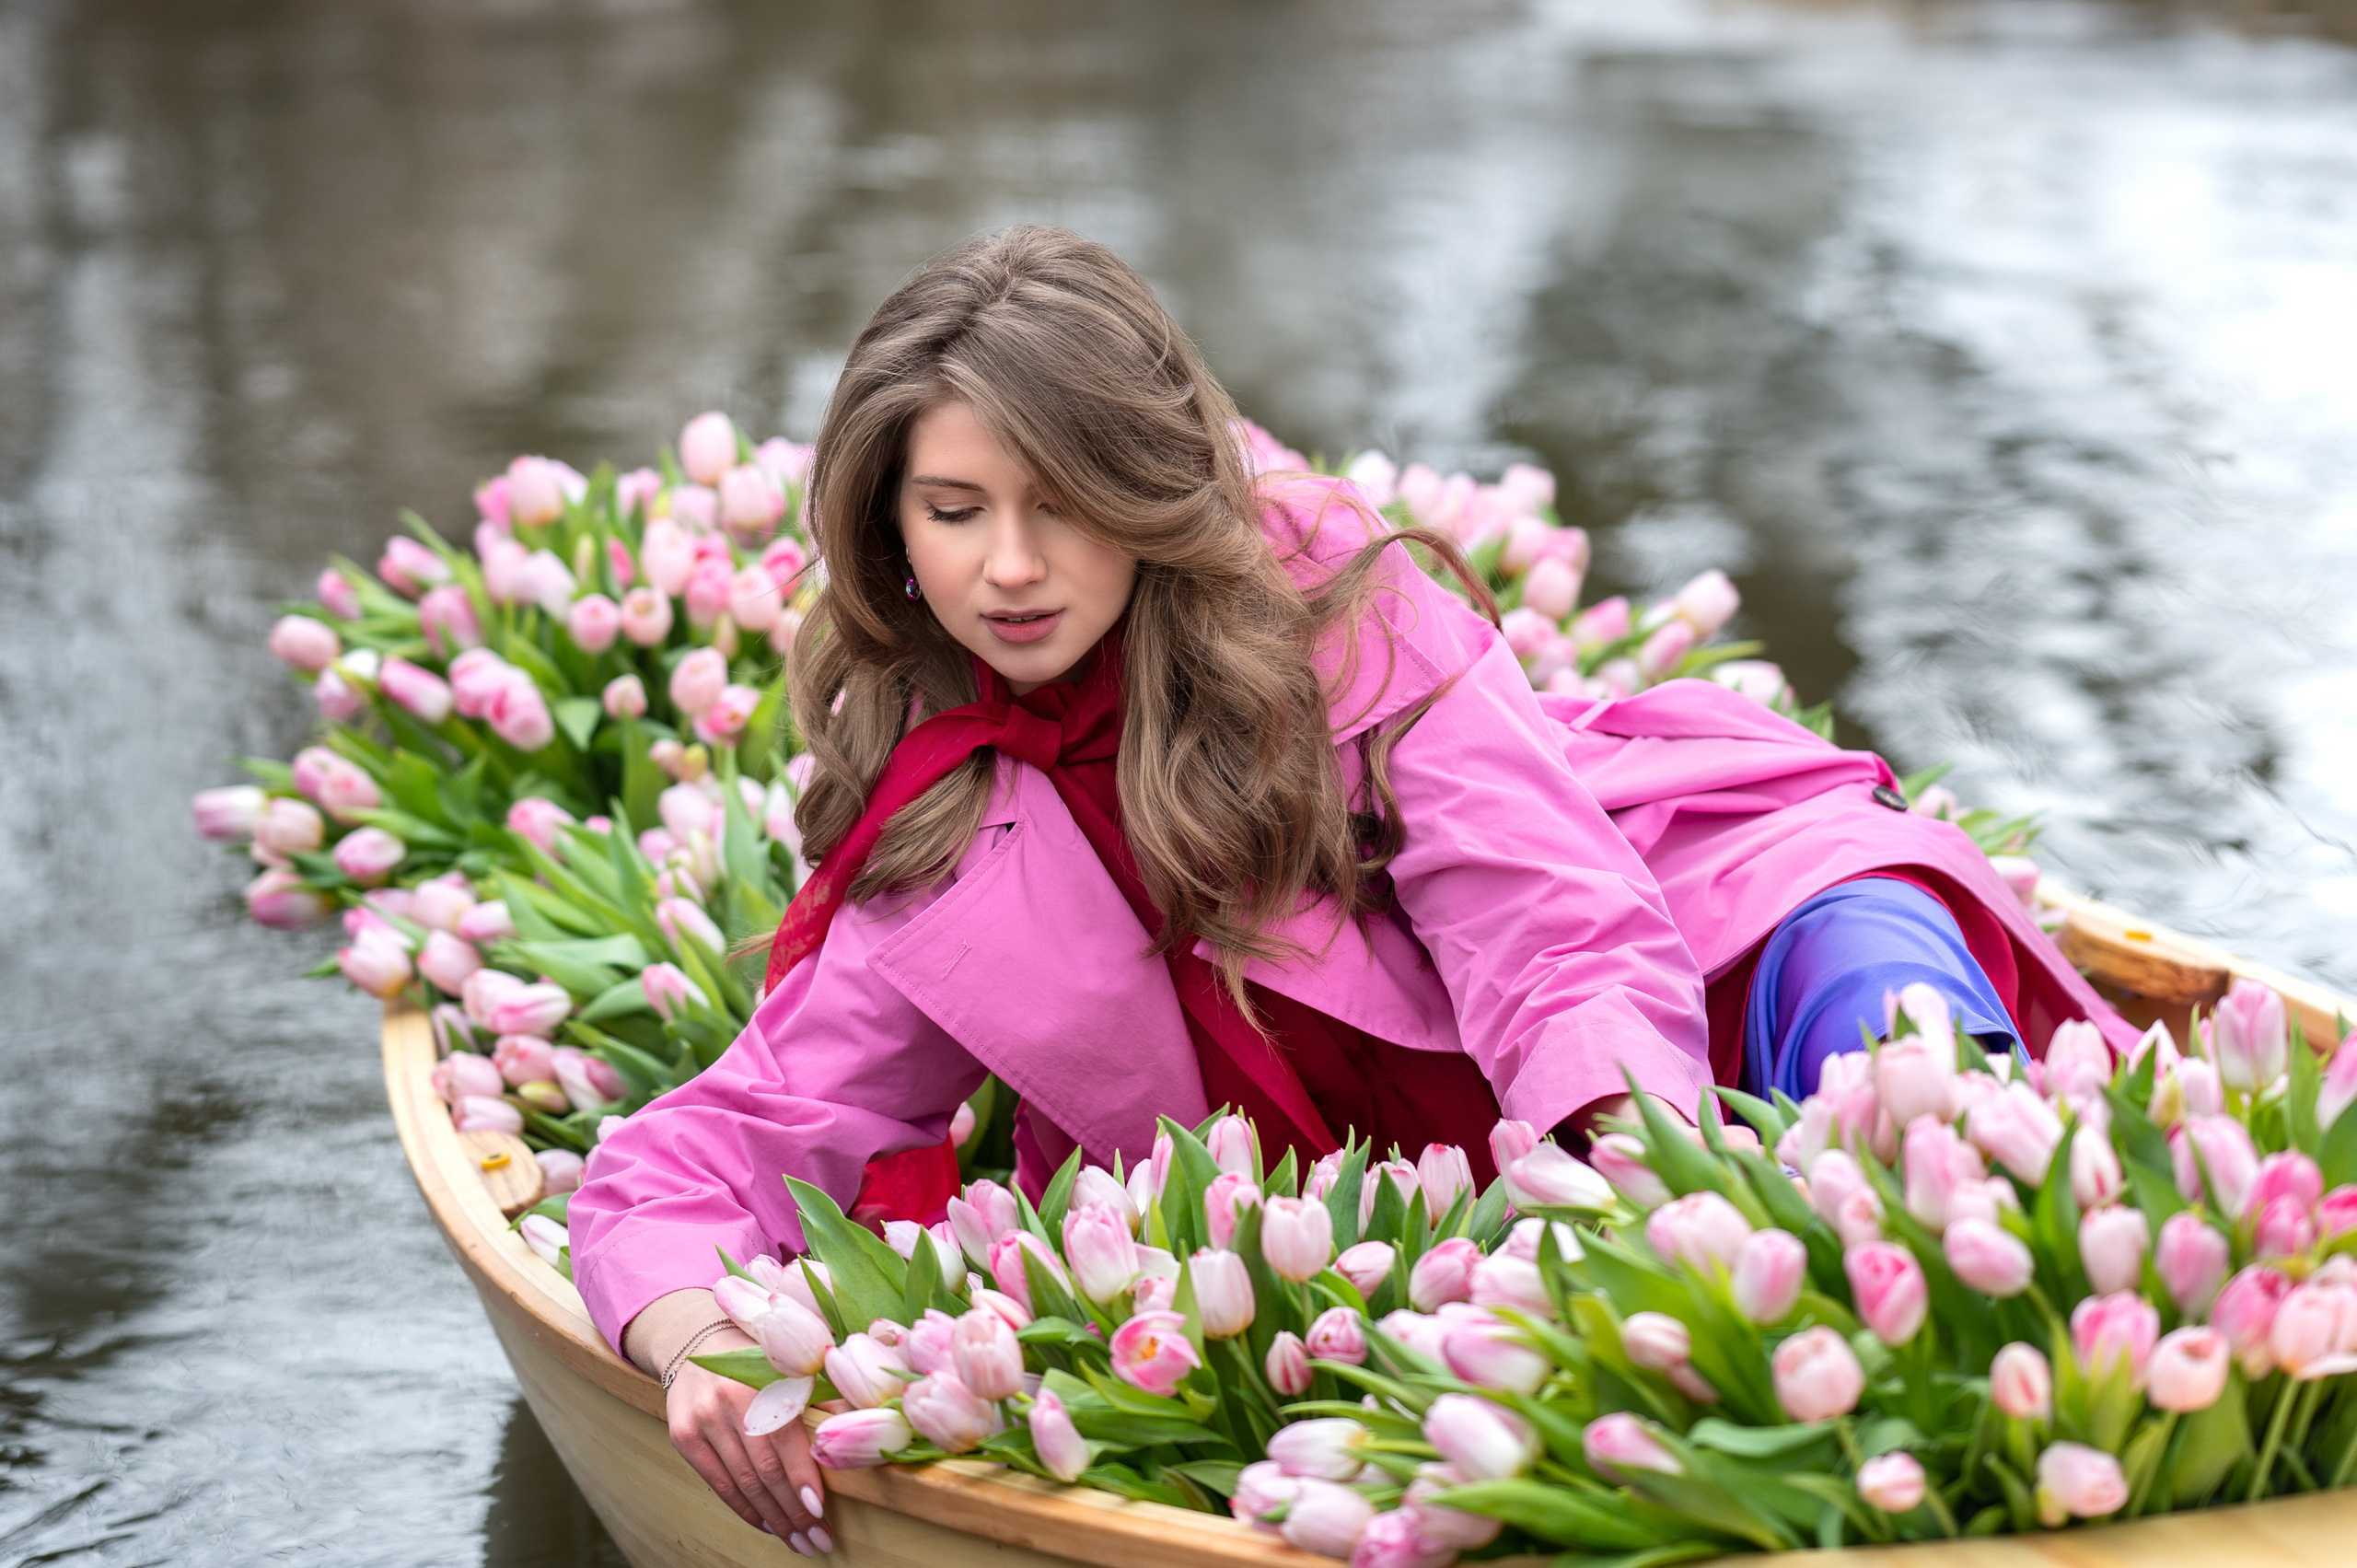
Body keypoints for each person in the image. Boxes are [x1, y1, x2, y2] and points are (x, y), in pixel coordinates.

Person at [567, 226, 2129, 1551]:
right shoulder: (940, 807)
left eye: (1062, 502)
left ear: (1145, 483)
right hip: (1369, 1224)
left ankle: (2034, 1338)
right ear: (892, 530)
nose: (1013, 570)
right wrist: (697, 1341)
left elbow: (1556, 932)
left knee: (1879, 1007)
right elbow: (726, 1143)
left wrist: (1640, 1206)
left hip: (1683, 958)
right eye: (956, 513)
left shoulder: (1331, 610)